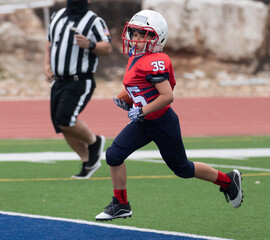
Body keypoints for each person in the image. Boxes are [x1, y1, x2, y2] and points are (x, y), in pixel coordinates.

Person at [95, 10, 244, 221]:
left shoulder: (155, 61)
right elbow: (141, 87)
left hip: (162, 123)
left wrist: (141, 109)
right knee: (113, 155)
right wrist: (127, 98)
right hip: (143, 122)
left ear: (156, 38)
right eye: (134, 33)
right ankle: (121, 204)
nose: (135, 39)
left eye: (141, 35)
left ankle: (228, 182)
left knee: (183, 168)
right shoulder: (136, 58)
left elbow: (167, 96)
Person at [43, 0, 112, 179]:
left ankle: (94, 142)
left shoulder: (94, 21)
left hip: (79, 80)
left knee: (65, 119)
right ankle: (87, 160)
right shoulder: (57, 16)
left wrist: (90, 44)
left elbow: (107, 47)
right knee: (61, 125)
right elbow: (50, 42)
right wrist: (46, 64)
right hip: (59, 81)